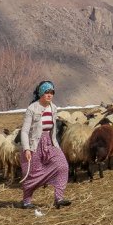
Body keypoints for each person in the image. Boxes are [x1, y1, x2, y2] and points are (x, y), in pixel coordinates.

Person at [19, 80, 71, 209]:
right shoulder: (32, 108)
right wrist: (26, 149)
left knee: (63, 166)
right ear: (41, 93)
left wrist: (55, 143)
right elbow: (24, 131)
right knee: (32, 174)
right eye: (47, 92)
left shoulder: (53, 108)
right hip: (35, 144)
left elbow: (53, 129)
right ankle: (27, 201)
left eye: (52, 93)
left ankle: (59, 198)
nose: (50, 95)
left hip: (50, 142)